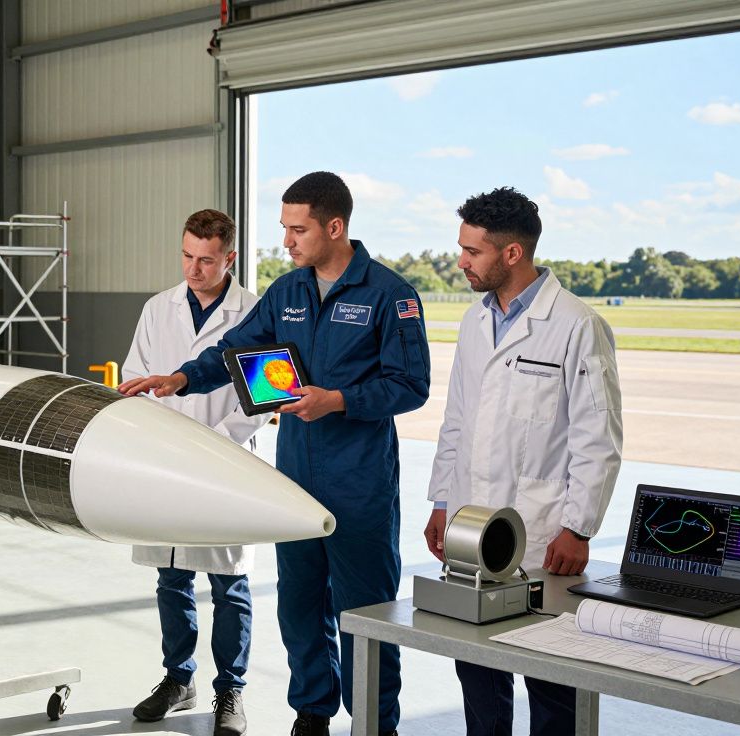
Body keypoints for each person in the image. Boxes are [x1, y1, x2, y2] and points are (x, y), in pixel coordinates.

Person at [120, 172, 430, 736]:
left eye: (297, 229)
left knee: (363, 613)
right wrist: (182, 377)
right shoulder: (287, 293)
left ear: (334, 228)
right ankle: (312, 714)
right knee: (299, 605)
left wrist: (337, 400)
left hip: (359, 481)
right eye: (284, 228)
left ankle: (374, 723)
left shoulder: (390, 295)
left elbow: (411, 386)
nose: (286, 240)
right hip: (295, 478)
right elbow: (235, 351)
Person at [424, 187, 623, 736]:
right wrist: (443, 502)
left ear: (513, 254)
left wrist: (579, 528)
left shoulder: (577, 326)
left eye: (473, 251)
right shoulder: (473, 320)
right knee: (479, 672)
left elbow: (598, 438)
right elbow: (457, 419)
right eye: (461, 248)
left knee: (553, 682)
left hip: (541, 533)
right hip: (471, 529)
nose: (460, 261)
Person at [123, 209, 267, 736]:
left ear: (229, 257)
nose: (194, 269)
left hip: (227, 464)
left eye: (206, 260)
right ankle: (177, 678)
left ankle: (230, 690)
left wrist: (217, 444)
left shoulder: (255, 311)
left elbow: (264, 398)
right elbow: (135, 376)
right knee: (172, 576)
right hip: (165, 465)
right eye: (187, 256)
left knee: (229, 583)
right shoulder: (157, 309)